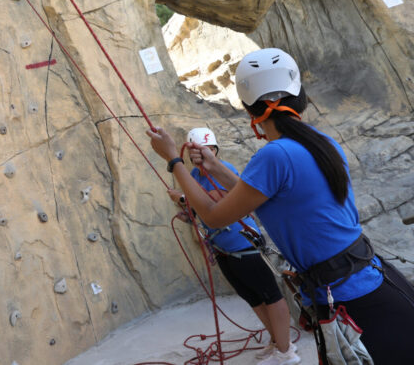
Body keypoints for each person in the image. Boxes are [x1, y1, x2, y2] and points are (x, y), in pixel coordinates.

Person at [147, 48, 414, 364]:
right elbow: (262, 195)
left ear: (250, 109)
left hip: (346, 297)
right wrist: (214, 167)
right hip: (369, 280)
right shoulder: (320, 143)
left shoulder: (273, 156)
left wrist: (173, 160)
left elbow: (214, 216)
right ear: (299, 98)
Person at [168, 127, 294, 363]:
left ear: (214, 150)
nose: (200, 154)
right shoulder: (193, 176)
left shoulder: (224, 170)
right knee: (251, 296)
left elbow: (223, 200)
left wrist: (184, 199)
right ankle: (277, 341)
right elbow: (200, 211)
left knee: (270, 295)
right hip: (221, 248)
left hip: (243, 243)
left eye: (206, 149)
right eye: (195, 151)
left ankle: (287, 352)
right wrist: (186, 211)